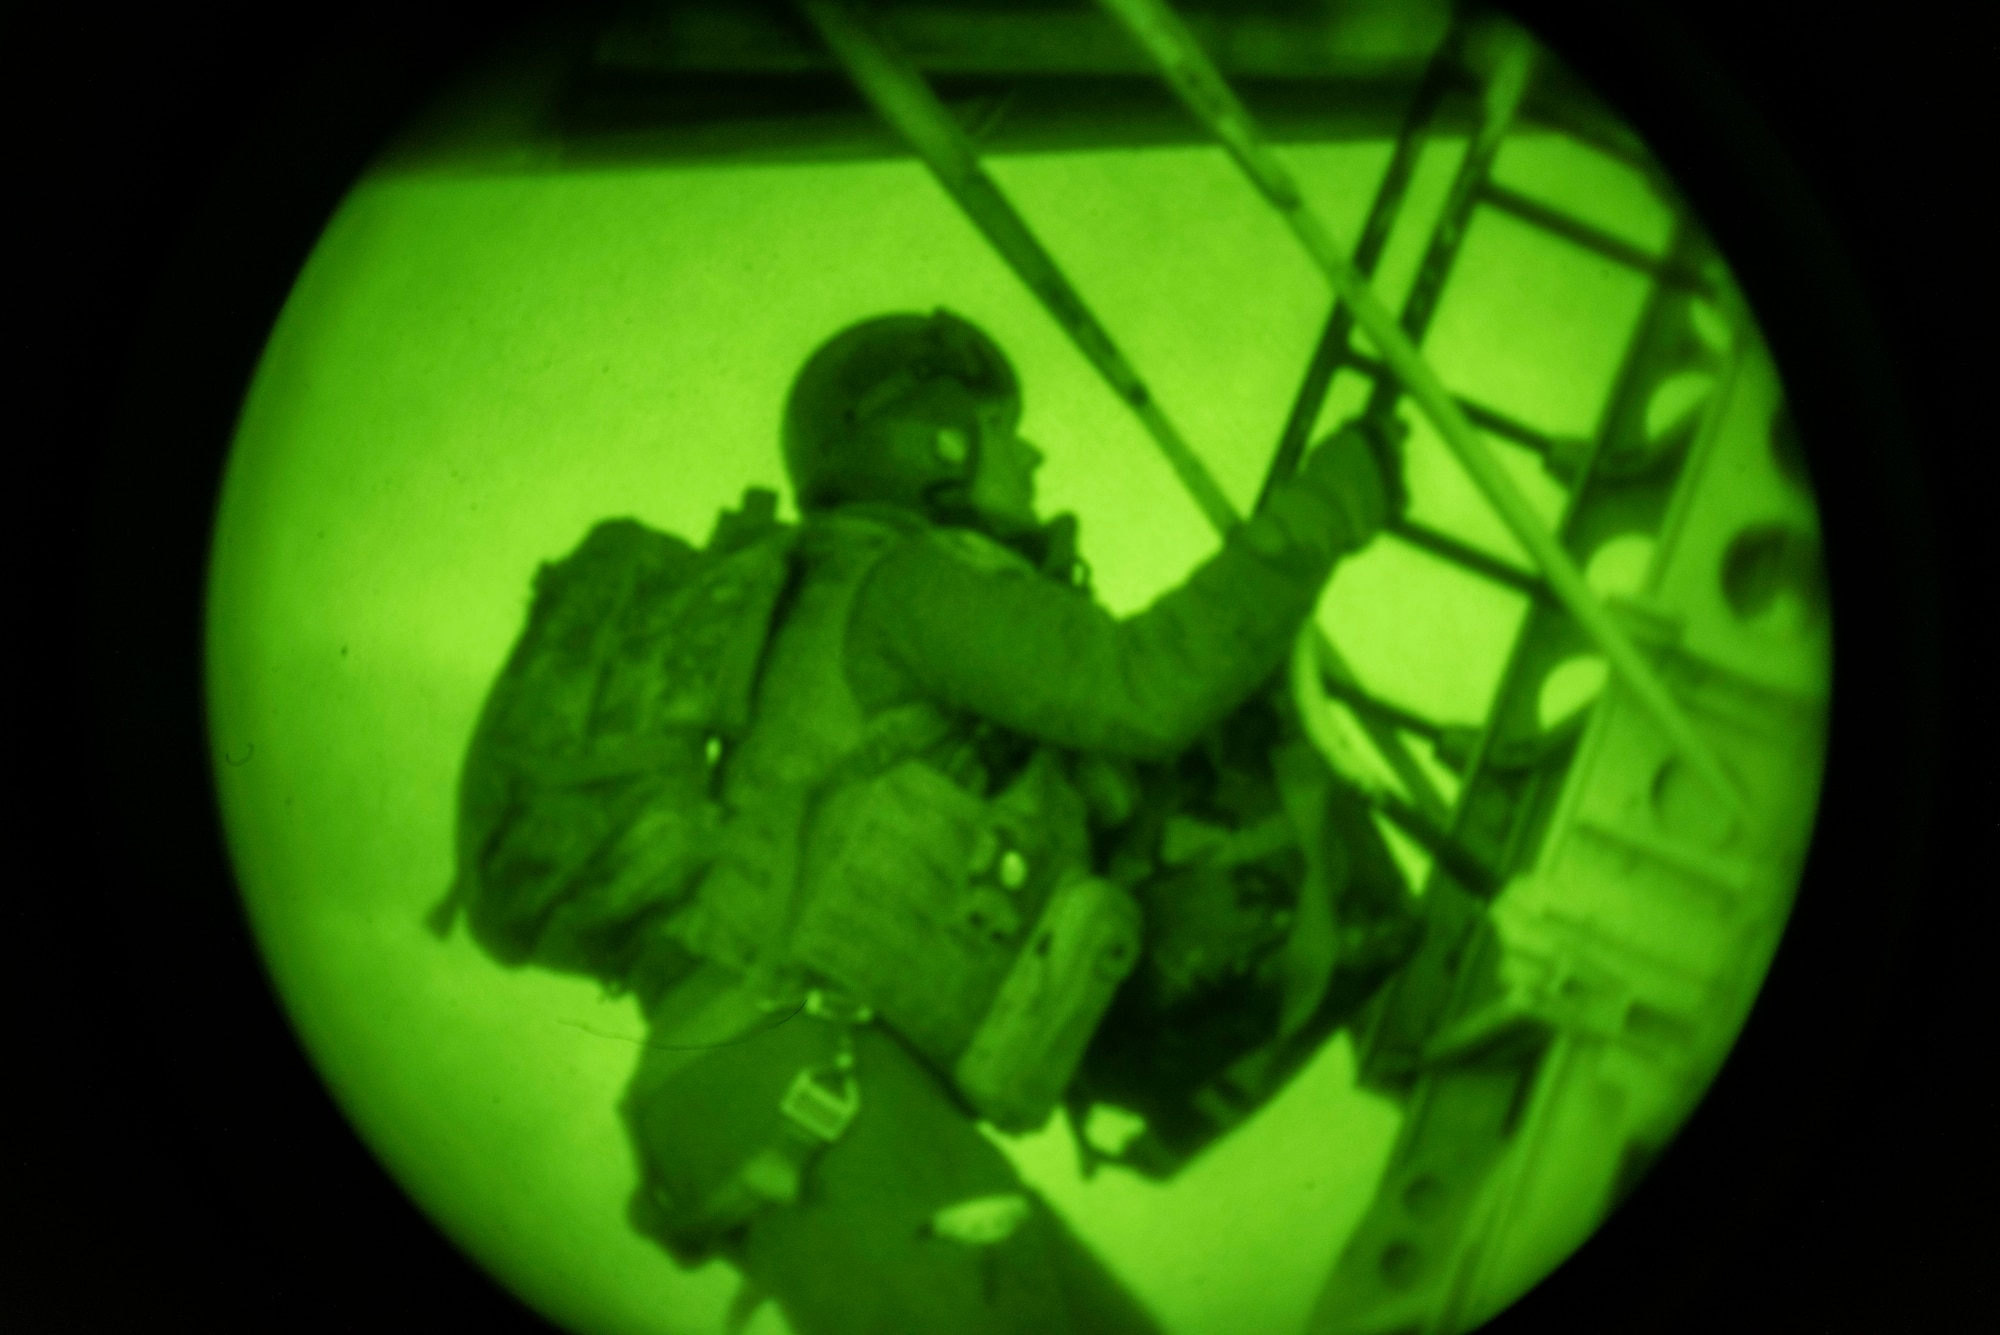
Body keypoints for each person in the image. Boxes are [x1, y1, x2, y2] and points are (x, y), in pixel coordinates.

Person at [608, 308, 1407, 1335]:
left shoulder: (853, 596)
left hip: (807, 1081)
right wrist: (1323, 511)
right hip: (801, 1076)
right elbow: (1142, 688)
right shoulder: (906, 583)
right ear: (932, 444)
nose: (1027, 451)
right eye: (998, 425)